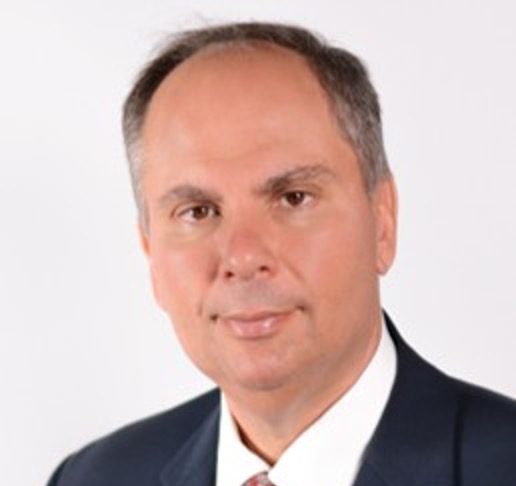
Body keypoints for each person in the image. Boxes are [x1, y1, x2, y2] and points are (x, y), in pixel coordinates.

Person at [47, 21, 516, 486]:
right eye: (198, 211)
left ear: (382, 221)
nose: (244, 256)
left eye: (293, 198)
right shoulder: (93, 478)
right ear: (151, 252)